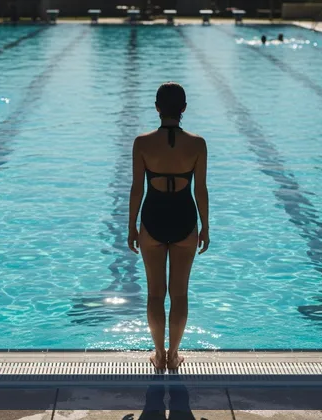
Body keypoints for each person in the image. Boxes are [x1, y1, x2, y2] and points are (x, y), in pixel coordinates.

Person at [127, 82, 210, 370]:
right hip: (186, 220)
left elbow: (137, 189)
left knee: (154, 294)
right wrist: (206, 226)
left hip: (152, 219)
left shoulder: (142, 143)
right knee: (179, 294)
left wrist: (131, 226)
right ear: (184, 108)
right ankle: (174, 355)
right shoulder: (198, 144)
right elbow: (201, 190)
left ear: (157, 107)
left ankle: (159, 354)